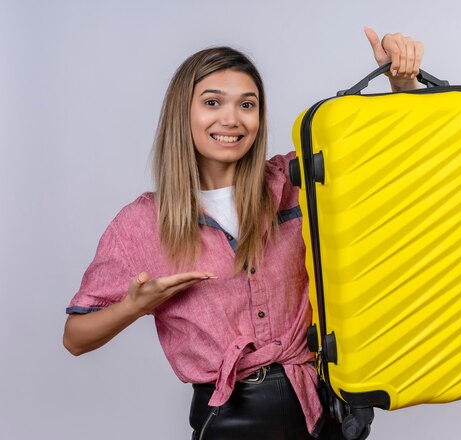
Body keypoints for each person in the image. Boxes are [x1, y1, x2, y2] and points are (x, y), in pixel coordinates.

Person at [62, 27, 424, 439]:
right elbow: (75, 338)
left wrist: (401, 83)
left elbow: (394, 159)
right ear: (184, 112)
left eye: (247, 105)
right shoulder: (142, 222)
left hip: (324, 413)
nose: (231, 119)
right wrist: (133, 305)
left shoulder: (300, 179)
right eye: (213, 102)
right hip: (228, 422)